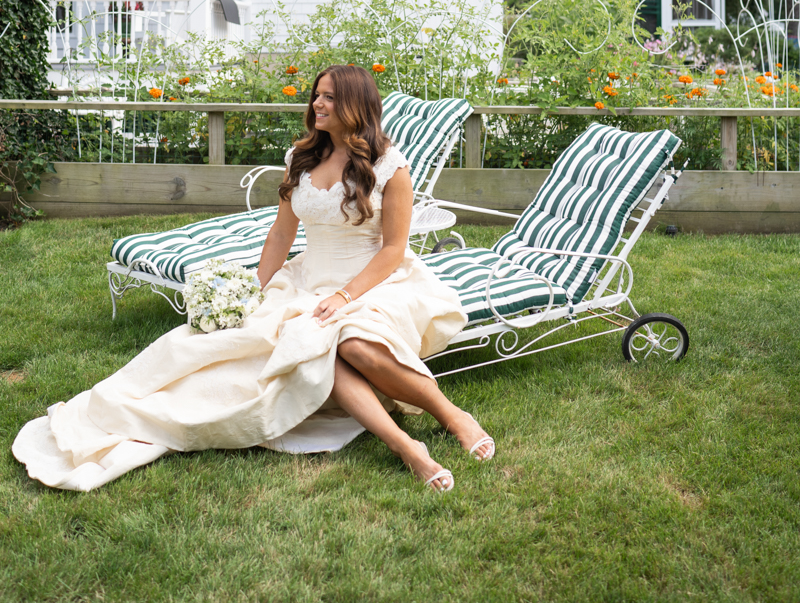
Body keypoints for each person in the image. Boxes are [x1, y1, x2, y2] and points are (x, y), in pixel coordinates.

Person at [13, 65, 494, 493]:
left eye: (328, 97)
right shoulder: (301, 157)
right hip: (308, 280)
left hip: (375, 282)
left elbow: (393, 250)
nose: (316, 104)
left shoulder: (390, 167)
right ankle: (406, 446)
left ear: (355, 105)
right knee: (316, 348)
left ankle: (452, 417)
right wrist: (252, 290)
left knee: (353, 344)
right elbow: (282, 234)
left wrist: (346, 296)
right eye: (316, 95)